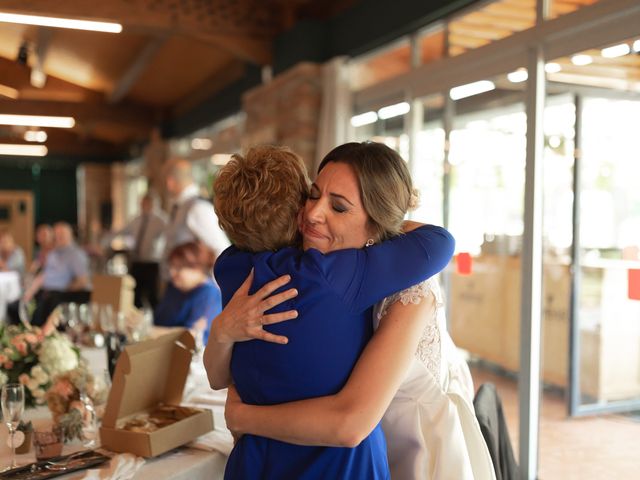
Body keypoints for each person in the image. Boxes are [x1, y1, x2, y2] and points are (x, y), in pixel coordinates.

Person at [210, 142, 496, 480]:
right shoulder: (315, 268)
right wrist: (221, 331)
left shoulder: (402, 290)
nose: (313, 214)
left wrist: (244, 418)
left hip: (407, 450)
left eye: (339, 207)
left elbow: (350, 423)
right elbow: (220, 376)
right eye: (312, 195)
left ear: (377, 224)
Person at [163, 158, 229, 280]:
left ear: (170, 182)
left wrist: (214, 291)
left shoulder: (197, 208)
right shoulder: (180, 207)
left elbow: (222, 251)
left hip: (195, 289)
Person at [14, 222, 90, 326]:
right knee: (21, 304)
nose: (57, 238)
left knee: (39, 308)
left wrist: (63, 288)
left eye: (61, 235)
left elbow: (82, 282)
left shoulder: (75, 254)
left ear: (70, 235)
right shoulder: (54, 252)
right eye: (55, 235)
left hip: (63, 295)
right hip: (47, 291)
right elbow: (44, 273)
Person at [154, 241, 221, 345]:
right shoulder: (174, 288)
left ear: (198, 268)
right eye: (171, 266)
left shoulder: (208, 294)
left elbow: (192, 336)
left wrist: (151, 331)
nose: (172, 272)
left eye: (179, 267)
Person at [116, 193, 167, 308]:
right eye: (142, 203)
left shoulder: (161, 220)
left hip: (152, 263)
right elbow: (123, 231)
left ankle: (155, 321)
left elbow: (170, 237)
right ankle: (136, 319)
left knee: (152, 295)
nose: (144, 206)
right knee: (134, 294)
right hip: (137, 261)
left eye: (147, 203)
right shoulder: (136, 219)